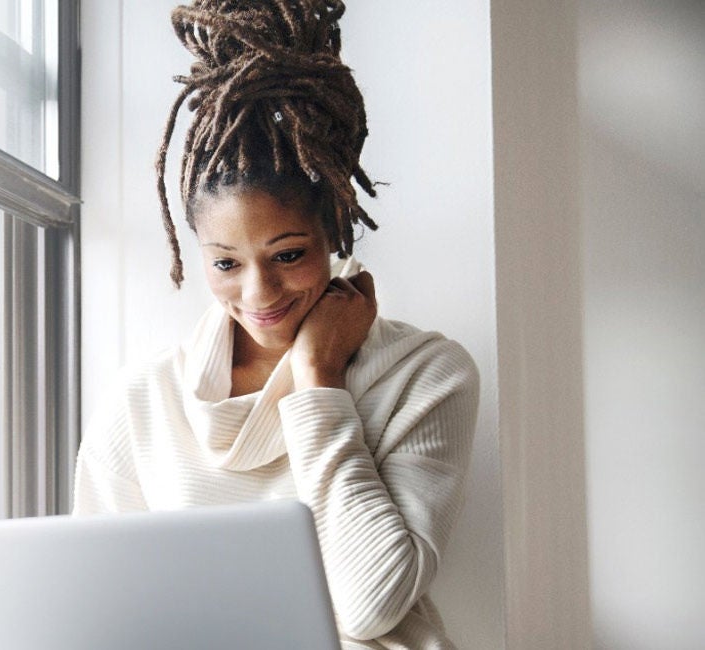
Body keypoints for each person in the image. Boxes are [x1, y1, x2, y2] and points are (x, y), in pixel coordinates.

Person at [70, 1, 479, 648]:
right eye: (226, 263)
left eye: (287, 255)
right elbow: (100, 612)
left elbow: (371, 605)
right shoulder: (143, 402)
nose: (259, 293)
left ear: (333, 230)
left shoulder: (425, 375)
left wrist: (318, 378)